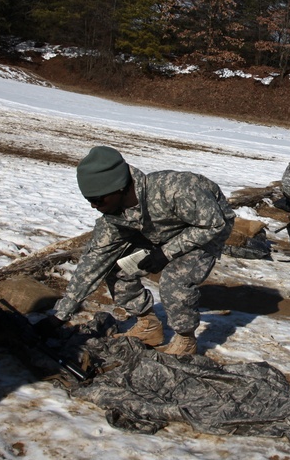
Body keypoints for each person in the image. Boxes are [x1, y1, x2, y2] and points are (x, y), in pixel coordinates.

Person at [50, 146, 235, 356]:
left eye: (98, 199)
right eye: (89, 200)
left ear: (119, 188)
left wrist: (166, 253)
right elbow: (93, 263)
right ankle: (148, 325)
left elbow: (213, 225)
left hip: (208, 229)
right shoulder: (114, 219)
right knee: (118, 270)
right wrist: (60, 315)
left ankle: (186, 341)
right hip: (162, 234)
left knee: (175, 280)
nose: (94, 206)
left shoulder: (175, 189)